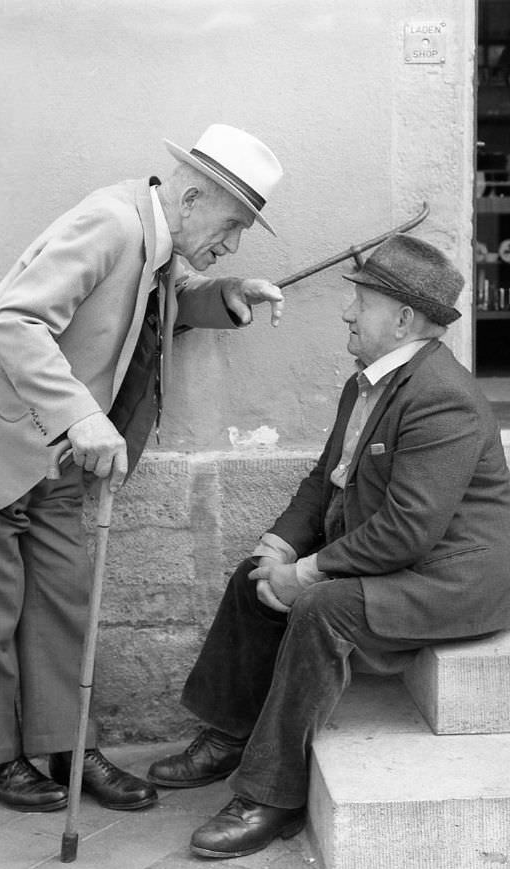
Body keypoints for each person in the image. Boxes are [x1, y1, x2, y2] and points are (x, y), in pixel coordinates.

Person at [0, 124, 285, 814]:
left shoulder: (155, 232)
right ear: (193, 198)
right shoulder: (110, 222)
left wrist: (229, 292)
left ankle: (71, 746)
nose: (231, 242)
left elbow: (160, 298)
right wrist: (80, 413)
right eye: (232, 226)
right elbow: (15, 320)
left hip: (50, 444)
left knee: (64, 600)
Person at [148, 233, 510, 859]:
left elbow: (406, 531)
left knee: (321, 608)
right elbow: (325, 482)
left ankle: (272, 796)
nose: (346, 312)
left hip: (451, 579)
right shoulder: (366, 383)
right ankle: (231, 733)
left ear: (402, 319)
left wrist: (310, 573)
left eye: (360, 301)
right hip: (405, 562)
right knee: (252, 578)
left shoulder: (441, 397)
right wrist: (280, 548)